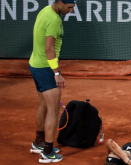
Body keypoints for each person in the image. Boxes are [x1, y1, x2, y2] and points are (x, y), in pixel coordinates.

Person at [28, 0, 76, 163]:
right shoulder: (55, 20)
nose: (70, 11)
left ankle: (38, 143)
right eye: (69, 7)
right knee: (53, 110)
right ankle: (47, 152)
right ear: (60, 3)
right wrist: (56, 73)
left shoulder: (47, 10)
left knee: (43, 105)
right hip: (46, 68)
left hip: (35, 64)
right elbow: (49, 49)